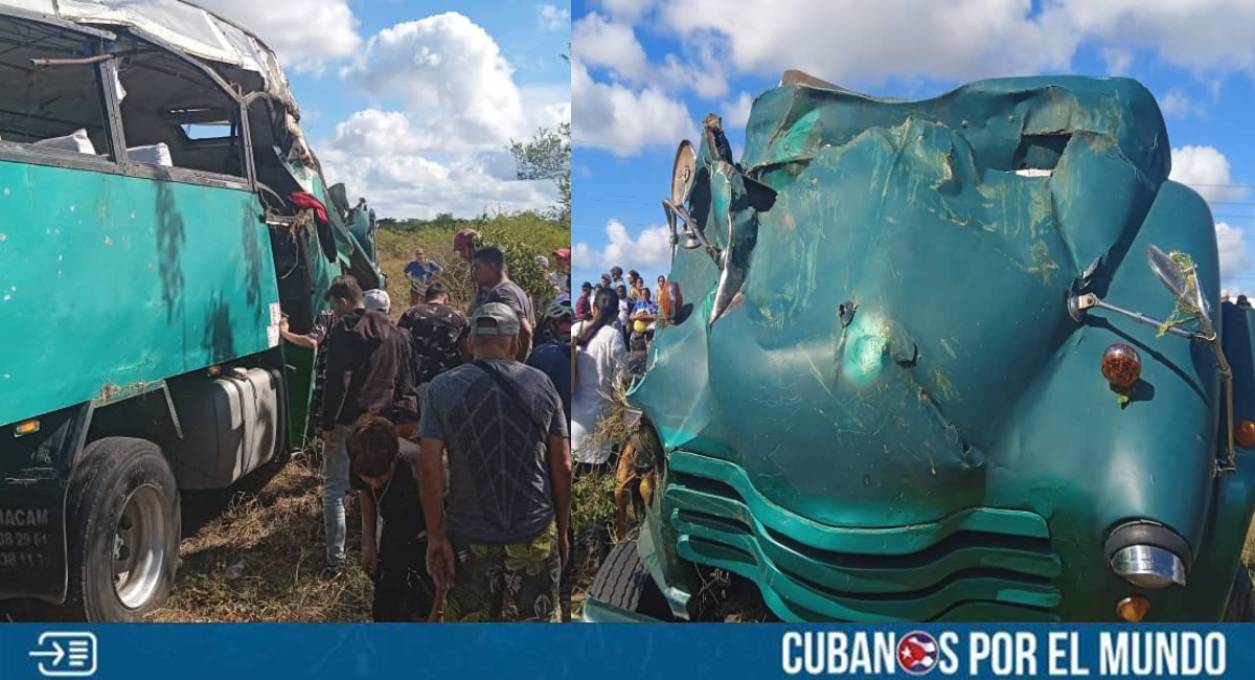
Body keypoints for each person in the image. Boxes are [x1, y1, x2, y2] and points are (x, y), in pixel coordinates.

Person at [419, 303, 572, 622]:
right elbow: (563, 466)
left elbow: (430, 468)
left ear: (471, 342)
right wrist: (563, 530)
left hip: (468, 539)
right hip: (533, 533)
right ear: (514, 343)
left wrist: (436, 535)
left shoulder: (440, 389)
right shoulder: (542, 384)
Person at [320, 275, 416, 578]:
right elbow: (406, 384)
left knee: (335, 488)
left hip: (349, 421)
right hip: (384, 422)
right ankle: (380, 555)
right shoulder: (396, 332)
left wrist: (327, 423)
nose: (335, 313)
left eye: (335, 307)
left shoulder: (344, 330)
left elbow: (335, 380)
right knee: (382, 490)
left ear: (345, 301)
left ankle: (335, 560)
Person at [347, 414, 435, 621]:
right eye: (368, 478)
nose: (375, 483)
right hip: (392, 532)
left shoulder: (418, 472)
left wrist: (438, 609)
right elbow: (366, 494)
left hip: (425, 538)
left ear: (394, 459)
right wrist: (370, 543)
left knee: (420, 606)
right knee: (386, 603)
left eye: (381, 477)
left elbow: (440, 532)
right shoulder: (361, 459)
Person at [571, 289, 626, 470]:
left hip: (573, 429)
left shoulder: (575, 330)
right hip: (599, 433)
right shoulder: (614, 337)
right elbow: (620, 387)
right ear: (617, 314)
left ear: (594, 308)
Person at [397, 282, 469, 389]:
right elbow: (467, 350)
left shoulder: (411, 313)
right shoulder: (458, 316)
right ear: (446, 298)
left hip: (415, 379)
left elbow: (398, 344)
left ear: (426, 297)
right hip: (448, 379)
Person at [472, 246, 534, 361]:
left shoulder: (501, 293)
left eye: (477, 267)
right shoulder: (517, 289)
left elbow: (526, 331)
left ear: (492, 267)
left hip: (506, 366)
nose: (474, 273)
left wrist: (518, 364)